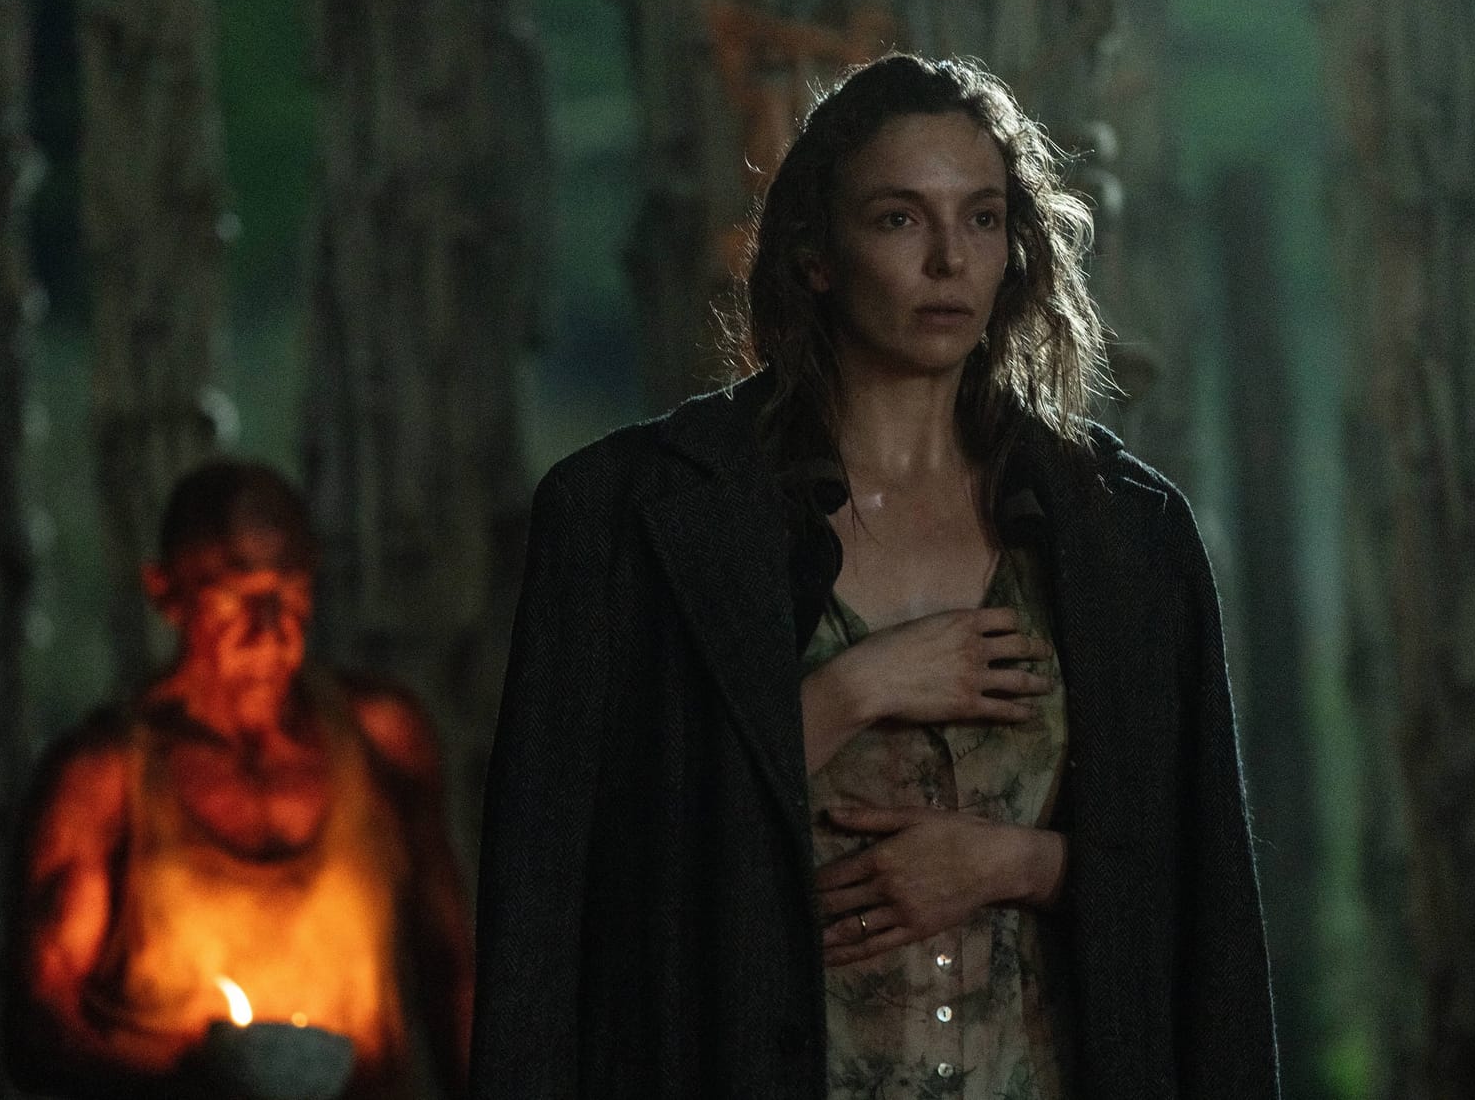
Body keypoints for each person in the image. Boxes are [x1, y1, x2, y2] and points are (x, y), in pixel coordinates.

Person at [470, 54, 1278, 1100]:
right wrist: (849, 691)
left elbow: (1208, 905)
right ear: (815, 253)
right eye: (899, 219)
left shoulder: (1123, 533)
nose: (948, 259)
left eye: (980, 219)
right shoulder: (628, 518)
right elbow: (556, 895)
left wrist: (1016, 863)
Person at [5, 460, 471, 1100]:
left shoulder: (382, 741)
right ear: (166, 594)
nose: (270, 629)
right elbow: (40, 1025)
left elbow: (453, 972)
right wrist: (196, 1075)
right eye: (233, 595)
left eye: (291, 589)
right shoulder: (103, 778)